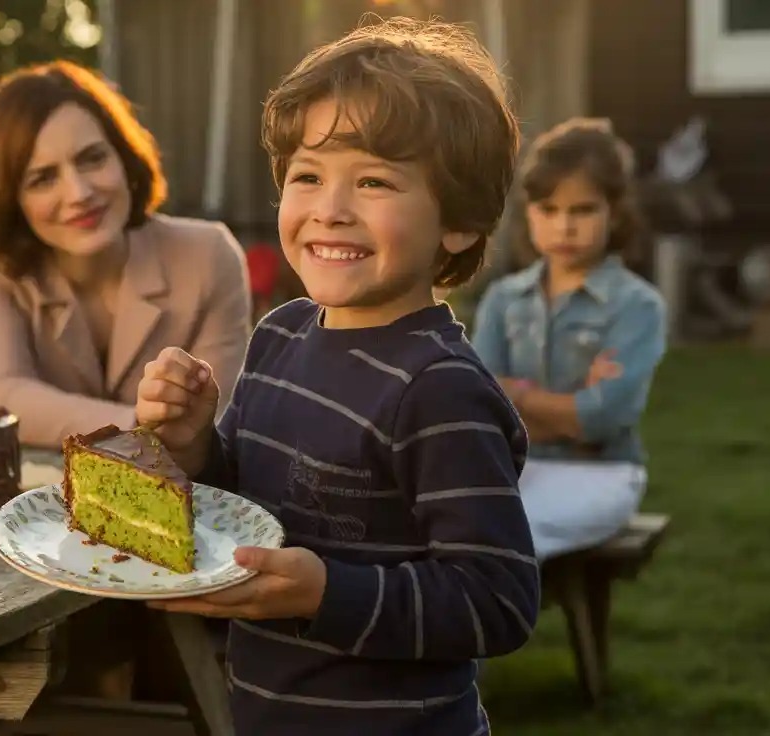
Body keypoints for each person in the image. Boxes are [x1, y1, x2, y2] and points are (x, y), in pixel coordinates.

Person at [135, 19, 538, 736]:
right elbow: (242, 507)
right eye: (309, 176)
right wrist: (195, 447)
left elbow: (497, 600)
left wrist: (326, 593)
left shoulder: (438, 389)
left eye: (374, 181)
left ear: (460, 222)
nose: (330, 210)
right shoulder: (280, 336)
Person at [0, 60, 252, 449]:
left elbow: (213, 423)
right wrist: (138, 426)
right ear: (9, 198)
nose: (79, 193)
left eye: (92, 158)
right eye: (43, 178)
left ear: (123, 157)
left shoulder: (208, 256)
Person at [470, 117, 668, 561]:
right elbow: (476, 407)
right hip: (513, 468)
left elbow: (601, 420)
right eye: (549, 209)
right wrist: (570, 410)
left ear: (615, 212)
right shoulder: (504, 300)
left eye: (582, 210)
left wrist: (515, 392)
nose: (564, 226)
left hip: (601, 472)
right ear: (529, 212)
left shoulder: (636, 306)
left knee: (507, 535)